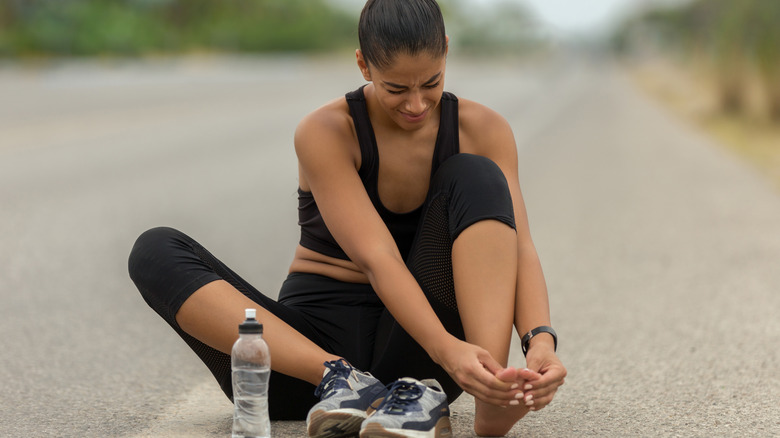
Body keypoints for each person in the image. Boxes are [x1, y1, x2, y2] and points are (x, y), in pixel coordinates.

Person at [128, 0, 566, 436]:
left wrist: (539, 341)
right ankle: (345, 380)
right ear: (363, 64)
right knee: (153, 249)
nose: (416, 104)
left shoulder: (481, 129)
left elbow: (519, 247)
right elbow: (378, 259)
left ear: (446, 51)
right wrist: (447, 352)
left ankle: (492, 389)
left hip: (420, 369)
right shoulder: (327, 131)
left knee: (478, 174)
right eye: (396, 89)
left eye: (430, 83)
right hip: (305, 365)